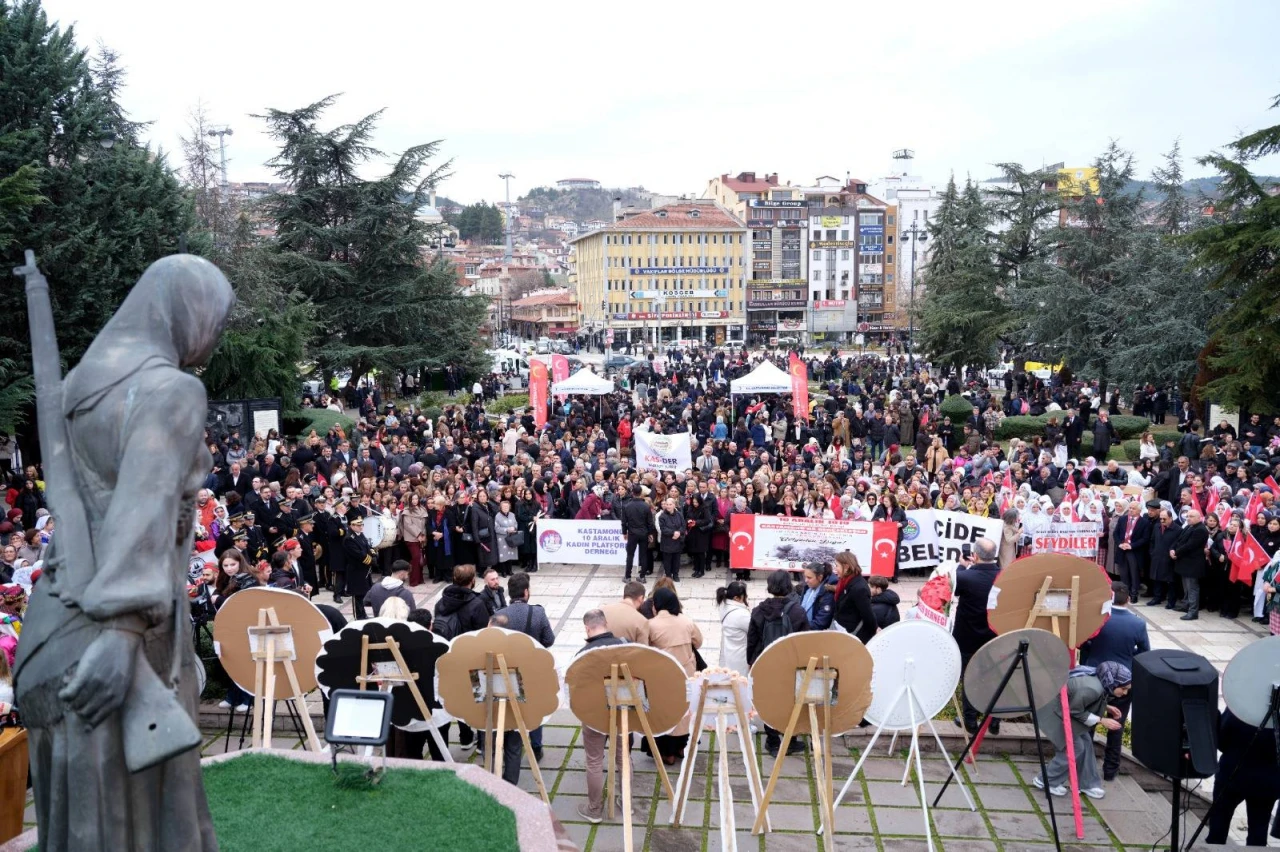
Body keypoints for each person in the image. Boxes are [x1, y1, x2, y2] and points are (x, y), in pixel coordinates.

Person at [15, 254, 234, 851]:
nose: (210, 340)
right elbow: (144, 509)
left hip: (55, 626)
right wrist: (123, 635)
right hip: (126, 638)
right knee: (134, 821)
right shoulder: (173, 391)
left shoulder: (83, 383)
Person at [1079, 582, 1149, 781]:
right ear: (1128, 599)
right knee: (1116, 725)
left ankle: (1083, 766)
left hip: (1094, 676)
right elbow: (1144, 653)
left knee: (1087, 725)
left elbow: (1083, 643)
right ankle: (1110, 771)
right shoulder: (1138, 624)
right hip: (1123, 680)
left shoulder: (1099, 620)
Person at [1034, 662, 1130, 800]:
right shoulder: (1093, 689)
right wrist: (1102, 720)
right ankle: (1046, 780)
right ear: (1113, 682)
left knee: (1085, 741)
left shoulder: (1097, 681)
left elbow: (1078, 699)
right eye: (1123, 688)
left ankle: (1087, 783)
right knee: (1074, 747)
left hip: (1059, 710)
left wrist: (1107, 708)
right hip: (1053, 713)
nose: (1125, 692)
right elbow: (1075, 710)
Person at [492, 571, 555, 768]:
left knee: (509, 706)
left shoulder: (499, 615)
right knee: (534, 707)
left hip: (507, 671)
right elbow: (549, 640)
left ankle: (508, 742)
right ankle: (535, 747)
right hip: (532, 670)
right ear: (526, 592)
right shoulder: (537, 612)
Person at [747, 570, 810, 756]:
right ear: (788, 586)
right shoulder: (797, 611)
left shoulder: (759, 610)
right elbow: (804, 639)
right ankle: (790, 739)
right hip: (790, 664)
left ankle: (772, 741)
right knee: (791, 701)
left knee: (769, 700)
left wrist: (751, 661)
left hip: (766, 661)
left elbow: (752, 639)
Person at [574, 609, 627, 824]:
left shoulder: (583, 654)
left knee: (594, 760)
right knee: (623, 757)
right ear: (606, 623)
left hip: (594, 713)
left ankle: (594, 809)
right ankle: (627, 802)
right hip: (623, 710)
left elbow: (576, 689)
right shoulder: (626, 646)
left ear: (587, 628)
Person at [645, 587, 703, 765]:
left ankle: (666, 753)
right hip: (686, 673)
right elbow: (698, 642)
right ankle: (681, 748)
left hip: (663, 675)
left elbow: (645, 648)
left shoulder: (651, 625)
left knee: (664, 712)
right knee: (685, 711)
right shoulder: (686, 621)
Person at [1205, 709, 1280, 846]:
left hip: (1232, 775)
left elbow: (1221, 741)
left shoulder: (1240, 704)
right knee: (1258, 832)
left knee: (1218, 827)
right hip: (1267, 781)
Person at [953, 538, 1002, 734]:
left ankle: (970, 720)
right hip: (995, 636)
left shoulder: (965, 576)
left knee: (971, 677)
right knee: (997, 677)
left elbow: (955, 588)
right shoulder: (1004, 576)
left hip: (968, 636)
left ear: (975, 555)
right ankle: (994, 720)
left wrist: (960, 565)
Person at [1112, 500, 1154, 602]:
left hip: (1134, 551)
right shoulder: (1122, 519)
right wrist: (1120, 543)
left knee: (1134, 573)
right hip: (1122, 549)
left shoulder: (1144, 522)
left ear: (1139, 510)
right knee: (1124, 573)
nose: (1131, 510)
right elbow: (1115, 533)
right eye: (1130, 508)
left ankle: (1134, 594)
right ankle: (1125, 594)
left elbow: (1145, 539)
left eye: (1133, 508)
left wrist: (1131, 546)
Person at [1170, 508, 1209, 620]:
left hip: (1193, 564)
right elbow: (1179, 540)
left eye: (1191, 516)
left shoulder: (1200, 530)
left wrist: (1176, 552)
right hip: (1185, 562)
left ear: (1198, 518)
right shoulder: (1188, 526)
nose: (1188, 518)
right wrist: (1172, 549)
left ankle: (1193, 611)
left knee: (1192, 588)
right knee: (1186, 587)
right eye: (1187, 516)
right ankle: (1186, 605)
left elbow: (1190, 545)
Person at [831, 551, 877, 643]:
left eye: (837, 566)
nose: (835, 569)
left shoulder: (859, 588)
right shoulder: (845, 581)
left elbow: (868, 617)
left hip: (851, 634)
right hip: (841, 629)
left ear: (846, 566)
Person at [618, 484, 656, 582]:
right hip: (643, 533)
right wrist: (650, 533)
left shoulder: (627, 506)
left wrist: (624, 532)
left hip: (632, 533)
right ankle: (642, 576)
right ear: (641, 493)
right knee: (643, 554)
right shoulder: (646, 506)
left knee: (630, 555)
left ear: (632, 493)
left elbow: (623, 522)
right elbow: (650, 522)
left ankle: (627, 576)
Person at [342, 515, 375, 620]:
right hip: (356, 570)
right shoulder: (349, 539)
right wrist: (371, 560)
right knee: (357, 595)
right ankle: (358, 616)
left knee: (363, 593)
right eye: (358, 525)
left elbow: (367, 546)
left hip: (363, 570)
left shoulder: (360, 534)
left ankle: (363, 614)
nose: (361, 527)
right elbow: (358, 554)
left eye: (362, 525)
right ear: (352, 525)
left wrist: (373, 553)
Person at [599, 581, 651, 645]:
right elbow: (643, 650)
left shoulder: (602, 610)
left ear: (624, 595)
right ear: (641, 598)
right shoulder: (642, 621)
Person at [715, 581, 750, 674]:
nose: (746, 597)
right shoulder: (741, 614)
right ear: (736, 598)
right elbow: (752, 629)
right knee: (742, 681)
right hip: (741, 655)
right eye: (744, 595)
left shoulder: (724, 605)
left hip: (729, 650)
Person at [656, 496, 686, 581]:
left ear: (674, 505)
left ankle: (676, 575)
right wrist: (673, 532)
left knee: (676, 560)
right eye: (667, 504)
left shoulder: (679, 514)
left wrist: (679, 532)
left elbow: (683, 525)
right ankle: (668, 575)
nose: (668, 506)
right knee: (667, 561)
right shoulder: (662, 516)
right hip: (667, 542)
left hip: (677, 541)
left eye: (670, 504)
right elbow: (663, 529)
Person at [798, 562, 835, 630]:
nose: (806, 580)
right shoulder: (807, 588)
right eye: (805, 577)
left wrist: (800, 627)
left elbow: (821, 622)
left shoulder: (828, 594)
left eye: (809, 578)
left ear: (820, 577)